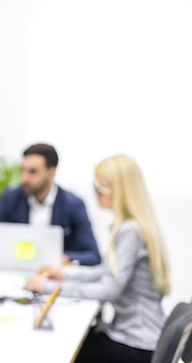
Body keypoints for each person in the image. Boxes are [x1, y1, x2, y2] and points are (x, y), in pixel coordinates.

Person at [25, 154, 171, 363]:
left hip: (138, 344)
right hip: (137, 337)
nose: (95, 194)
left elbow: (108, 290)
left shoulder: (130, 231)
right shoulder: (131, 226)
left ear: (120, 192)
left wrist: (47, 287)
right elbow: (105, 272)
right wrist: (64, 274)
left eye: (100, 188)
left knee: (63, 348)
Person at [0, 143, 101, 266]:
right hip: (14, 270)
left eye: (33, 172)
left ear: (51, 173)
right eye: (23, 170)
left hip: (54, 275)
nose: (25, 178)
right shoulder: (10, 199)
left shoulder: (73, 205)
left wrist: (65, 258)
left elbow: (93, 255)